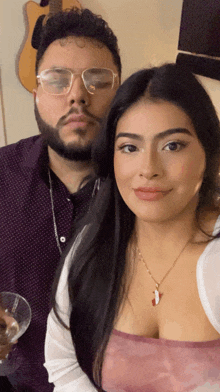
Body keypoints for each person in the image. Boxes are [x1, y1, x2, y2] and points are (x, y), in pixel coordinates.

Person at [45, 63, 220, 392]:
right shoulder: (93, 245)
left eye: (172, 146)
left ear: (210, 154)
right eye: (129, 147)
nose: (148, 169)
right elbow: (63, 362)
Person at [0, 7, 120, 391]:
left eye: (97, 80)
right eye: (57, 80)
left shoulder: (146, 186)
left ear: (121, 95)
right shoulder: (2, 175)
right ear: (36, 94)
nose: (77, 96)